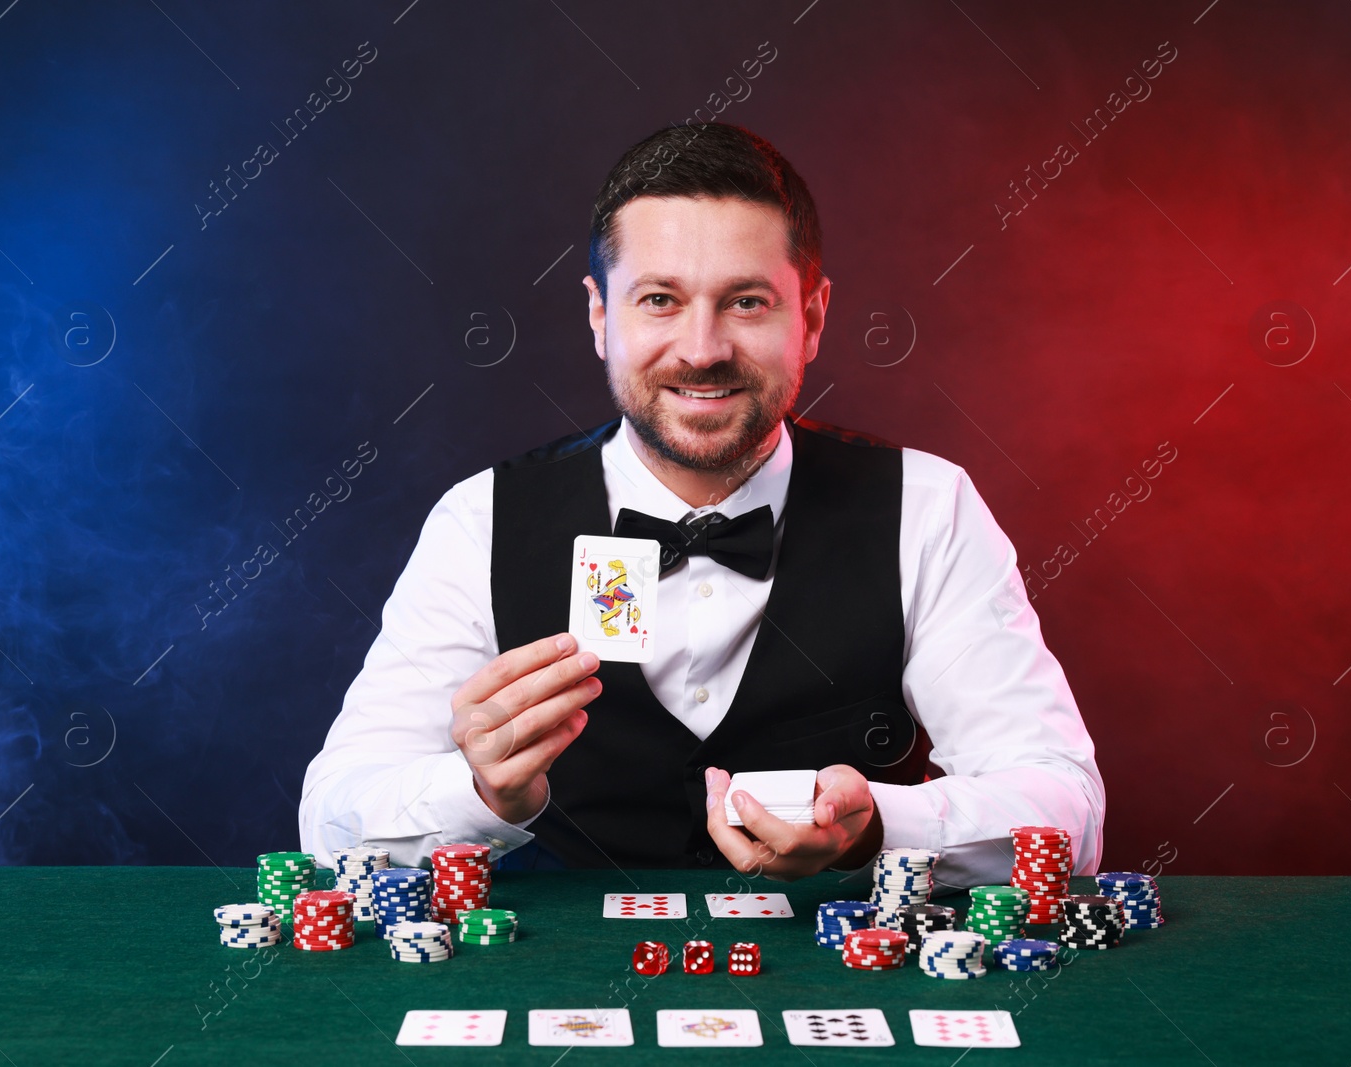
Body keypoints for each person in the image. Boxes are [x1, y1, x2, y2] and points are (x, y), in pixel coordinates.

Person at [300, 123, 1104, 886]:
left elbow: (1068, 811)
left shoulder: (928, 506)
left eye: (747, 301)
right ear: (599, 316)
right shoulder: (481, 520)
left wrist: (876, 827)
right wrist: (479, 794)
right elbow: (329, 821)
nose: (702, 348)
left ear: (813, 318)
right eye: (659, 299)